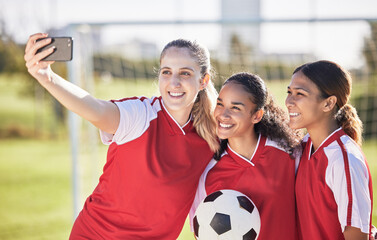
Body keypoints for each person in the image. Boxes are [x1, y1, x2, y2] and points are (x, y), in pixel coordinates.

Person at [24, 33, 220, 239]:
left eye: (185, 73)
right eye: (166, 72)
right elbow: (95, 109)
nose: (174, 82)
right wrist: (48, 78)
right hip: (96, 235)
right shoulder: (141, 114)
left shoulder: (212, 135)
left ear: (203, 81)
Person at [190, 72, 301, 239]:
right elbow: (201, 230)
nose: (223, 115)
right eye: (220, 104)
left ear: (257, 115)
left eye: (235, 107)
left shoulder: (288, 153)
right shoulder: (208, 172)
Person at [285, 60, 373, 240]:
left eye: (299, 94)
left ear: (328, 104)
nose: (288, 102)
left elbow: (357, 235)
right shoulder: (307, 144)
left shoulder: (344, 159)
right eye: (289, 92)